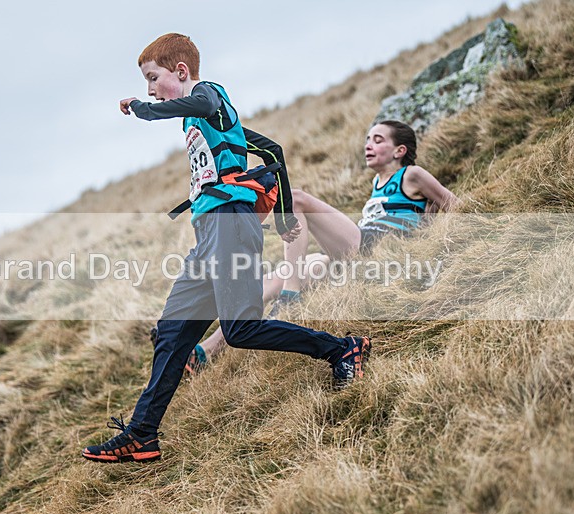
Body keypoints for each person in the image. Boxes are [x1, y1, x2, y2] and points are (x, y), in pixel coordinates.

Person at [81, 33, 371, 463]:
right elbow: (272, 150)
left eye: (153, 78)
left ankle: (342, 349)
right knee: (173, 332)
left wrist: (146, 111)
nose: (149, 90)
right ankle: (142, 434)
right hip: (210, 233)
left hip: (230, 225)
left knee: (241, 330)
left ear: (180, 72)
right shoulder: (208, 121)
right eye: (146, 85)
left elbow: (202, 104)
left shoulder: (208, 95)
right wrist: (284, 212)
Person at [184, 120, 458, 366]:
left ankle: (291, 297)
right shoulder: (378, 182)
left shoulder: (411, 174)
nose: (368, 145)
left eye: (378, 140)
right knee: (284, 272)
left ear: (399, 151)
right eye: (367, 139)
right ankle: (206, 351)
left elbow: (453, 204)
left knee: (297, 198)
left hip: (375, 247)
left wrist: (432, 234)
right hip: (360, 248)